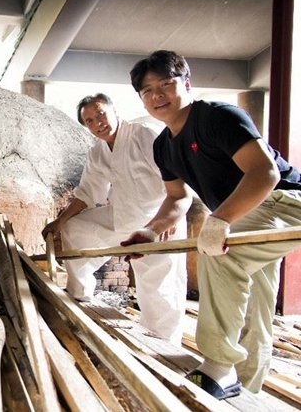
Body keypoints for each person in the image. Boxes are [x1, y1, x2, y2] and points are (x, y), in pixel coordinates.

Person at [125, 50, 301, 400]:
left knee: (220, 253)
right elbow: (178, 199)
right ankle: (247, 391)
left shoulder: (217, 117)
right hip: (244, 214)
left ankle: (219, 366)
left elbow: (264, 173)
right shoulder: (164, 147)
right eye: (148, 91)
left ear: (186, 84)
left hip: (283, 201)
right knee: (256, 306)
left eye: (166, 84)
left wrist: (219, 221)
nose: (157, 95)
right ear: (142, 100)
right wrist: (149, 230)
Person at [42, 93, 187, 346]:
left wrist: (167, 220)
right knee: (77, 228)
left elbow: (178, 177)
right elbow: (87, 193)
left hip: (157, 221)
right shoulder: (98, 152)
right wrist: (60, 221)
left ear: (114, 110)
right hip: (121, 215)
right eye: (89, 120)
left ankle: (164, 343)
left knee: (158, 286)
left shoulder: (144, 135)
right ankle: (80, 294)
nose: (97, 122)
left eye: (100, 113)